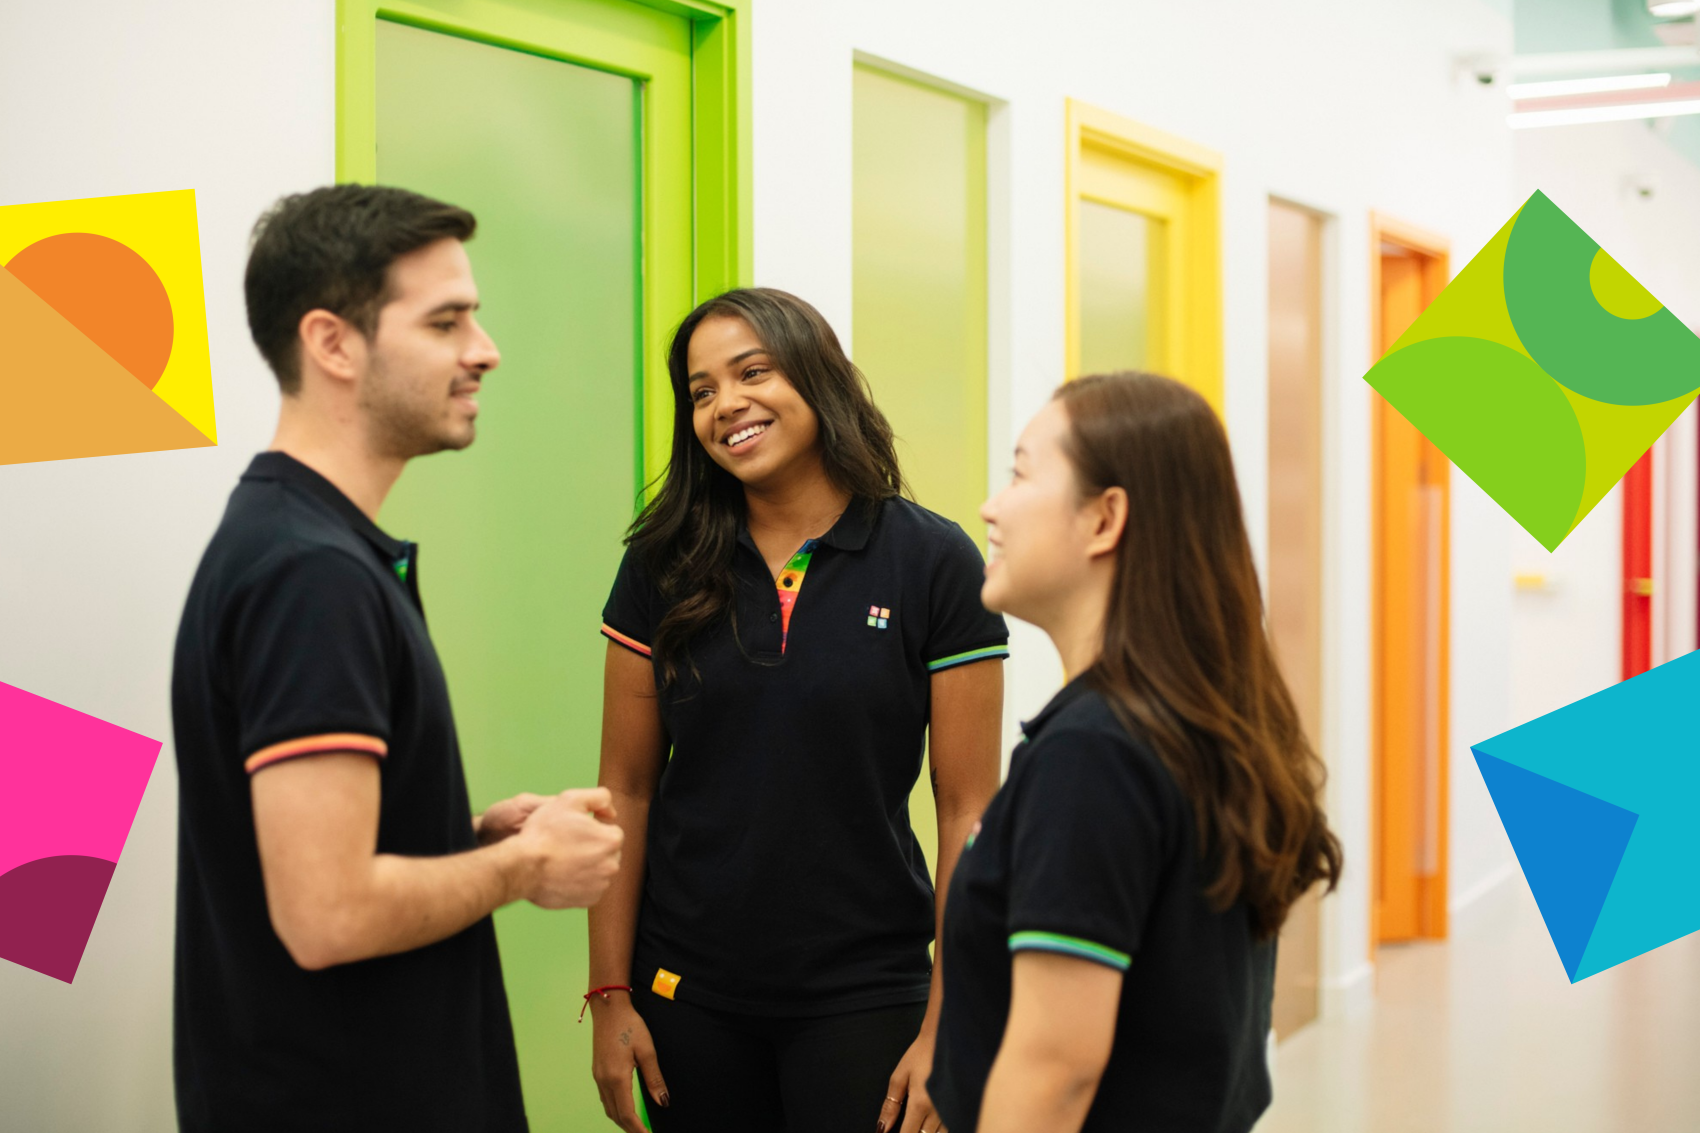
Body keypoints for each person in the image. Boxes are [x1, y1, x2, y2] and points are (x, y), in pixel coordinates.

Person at [170, 184, 624, 1133]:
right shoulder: (310, 576)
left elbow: (312, 859)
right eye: (447, 321)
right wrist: (528, 867)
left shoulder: (297, 544)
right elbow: (328, 911)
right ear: (333, 343)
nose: (484, 349)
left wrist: (476, 842)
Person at [586, 289, 1009, 1133]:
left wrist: (949, 1018)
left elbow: (967, 808)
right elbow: (624, 788)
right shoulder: (661, 565)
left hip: (866, 993)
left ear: (818, 379)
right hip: (687, 991)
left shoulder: (932, 561)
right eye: (702, 391)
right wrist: (609, 995)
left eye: (752, 372)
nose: (726, 404)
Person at [928, 372, 1344, 1133]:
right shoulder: (1193, 722)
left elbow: (1054, 1070)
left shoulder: (1094, 756)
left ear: (1104, 518)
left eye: (1020, 473)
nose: (991, 507)